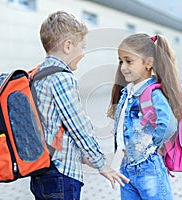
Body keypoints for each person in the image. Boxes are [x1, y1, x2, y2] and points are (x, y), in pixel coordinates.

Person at [30, 11, 129, 200]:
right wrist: (101, 164)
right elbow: (78, 126)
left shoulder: (39, 74)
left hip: (42, 170)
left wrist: (83, 157)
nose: (83, 53)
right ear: (68, 46)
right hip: (61, 173)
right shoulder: (62, 78)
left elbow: (52, 125)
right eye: (82, 47)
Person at [107, 33, 182, 199]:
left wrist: (148, 146)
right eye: (121, 61)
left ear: (148, 63)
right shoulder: (127, 93)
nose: (123, 67)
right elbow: (121, 131)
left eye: (129, 61)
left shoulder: (153, 94)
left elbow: (168, 125)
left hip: (148, 168)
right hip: (126, 169)